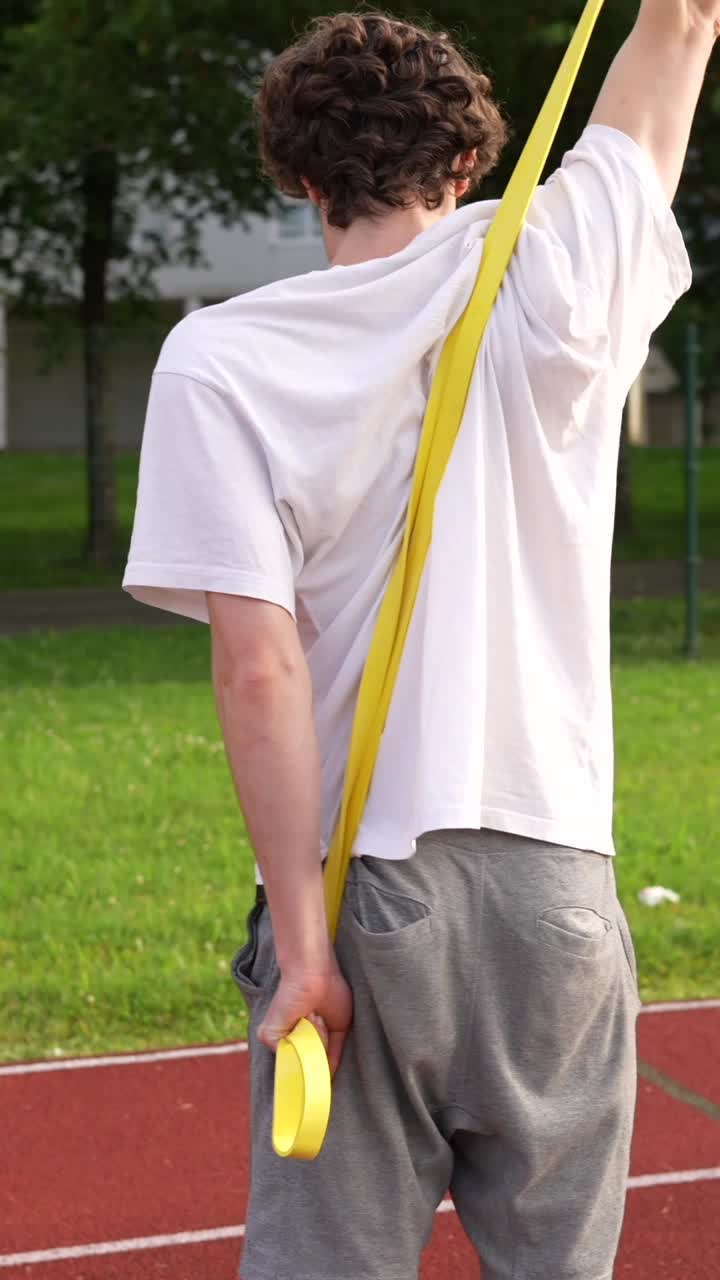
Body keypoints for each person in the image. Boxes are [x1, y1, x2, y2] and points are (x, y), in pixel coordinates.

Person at [122, 5, 717, 1277]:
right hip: (556, 887)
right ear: (467, 168)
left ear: (296, 174)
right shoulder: (561, 280)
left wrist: (302, 952)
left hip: (365, 886)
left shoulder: (220, 361)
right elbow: (674, 30)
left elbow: (259, 667)